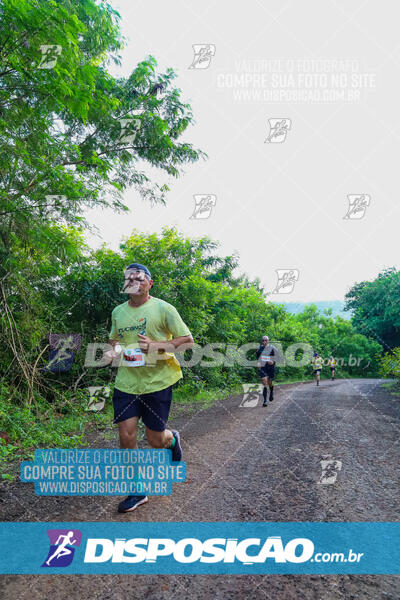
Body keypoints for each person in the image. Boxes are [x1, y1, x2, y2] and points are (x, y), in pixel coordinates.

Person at [106, 262, 193, 513]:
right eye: (129, 279)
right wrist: (117, 350)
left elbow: (187, 341)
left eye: (139, 278)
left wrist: (156, 346)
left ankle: (172, 438)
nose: (134, 282)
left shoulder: (163, 308)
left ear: (149, 283)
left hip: (158, 382)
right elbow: (115, 338)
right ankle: (137, 490)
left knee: (155, 439)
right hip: (127, 383)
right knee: (127, 434)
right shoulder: (118, 312)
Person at [256, 335, 282, 406]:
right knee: (264, 381)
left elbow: (279, 357)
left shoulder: (273, 348)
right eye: (263, 340)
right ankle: (265, 401)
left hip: (270, 367)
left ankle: (271, 391)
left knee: (270, 382)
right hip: (263, 367)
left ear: (268, 341)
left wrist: (273, 361)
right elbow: (258, 357)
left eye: (266, 340)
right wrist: (258, 362)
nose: (264, 342)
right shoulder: (260, 348)